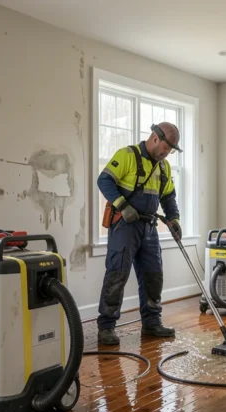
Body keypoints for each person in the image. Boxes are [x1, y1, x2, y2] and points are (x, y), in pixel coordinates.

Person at [95, 122, 183, 345]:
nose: (167, 154)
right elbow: (103, 180)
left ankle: (152, 322)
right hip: (125, 226)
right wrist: (123, 206)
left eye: (171, 151)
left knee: (154, 275)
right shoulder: (127, 155)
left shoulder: (164, 167)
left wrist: (174, 219)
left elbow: (168, 196)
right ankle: (106, 326)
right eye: (166, 148)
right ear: (155, 138)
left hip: (149, 227)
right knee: (117, 273)